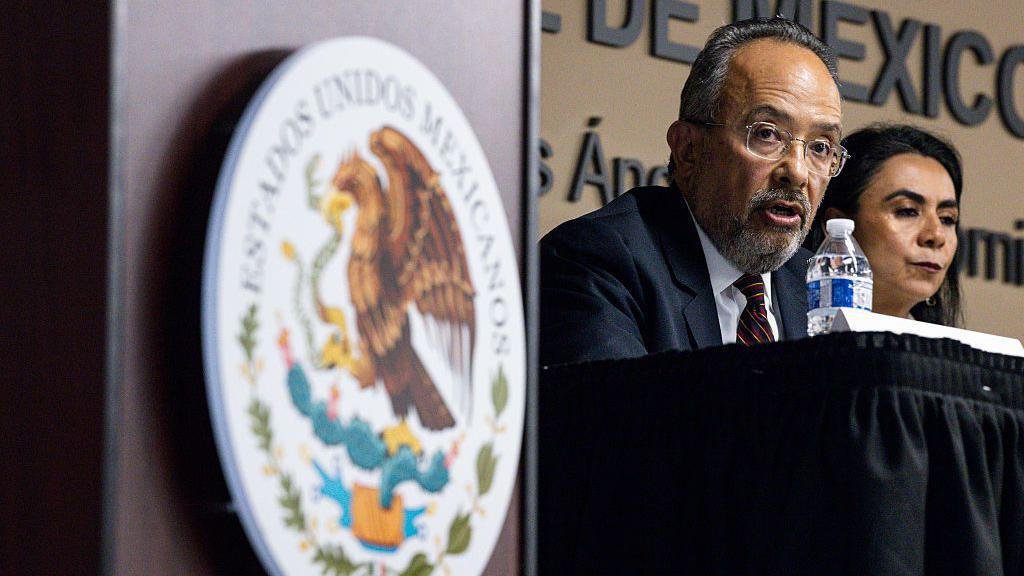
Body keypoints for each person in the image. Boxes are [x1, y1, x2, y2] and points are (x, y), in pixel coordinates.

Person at [539, 17, 846, 366]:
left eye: (821, 147)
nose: (797, 171)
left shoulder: (818, 285)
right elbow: (621, 418)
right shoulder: (597, 262)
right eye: (767, 134)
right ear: (688, 150)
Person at [804, 124, 963, 326]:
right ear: (834, 225)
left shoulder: (952, 355)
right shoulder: (778, 334)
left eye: (947, 218)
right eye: (907, 211)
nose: (936, 236)